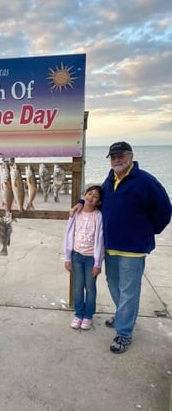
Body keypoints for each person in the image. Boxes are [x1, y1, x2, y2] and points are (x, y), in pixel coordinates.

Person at [71, 141, 171, 353]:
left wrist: (147, 231)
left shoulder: (146, 181)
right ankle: (123, 315)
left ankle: (124, 332)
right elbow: (96, 195)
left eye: (121, 155)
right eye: (113, 156)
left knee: (128, 291)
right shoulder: (110, 179)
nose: (117, 159)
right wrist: (81, 201)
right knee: (114, 285)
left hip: (133, 249)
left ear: (131, 156)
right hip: (111, 247)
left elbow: (164, 210)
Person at [64, 185, 104, 330]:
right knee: (78, 287)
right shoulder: (76, 213)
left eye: (95, 197)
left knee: (91, 288)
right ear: (84, 195)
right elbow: (69, 235)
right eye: (89, 194)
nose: (91, 198)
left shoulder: (99, 216)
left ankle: (88, 315)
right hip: (76, 256)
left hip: (90, 259)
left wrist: (98, 263)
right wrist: (67, 257)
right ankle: (79, 313)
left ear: (98, 202)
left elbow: (100, 239)